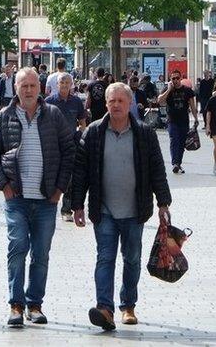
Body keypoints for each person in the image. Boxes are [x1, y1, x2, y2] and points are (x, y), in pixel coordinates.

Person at [72, 82, 172, 331]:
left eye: (120, 101)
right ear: (105, 104)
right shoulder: (94, 132)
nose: (116, 105)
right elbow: (81, 171)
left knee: (132, 259)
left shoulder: (144, 133)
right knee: (105, 258)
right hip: (103, 209)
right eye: (111, 101)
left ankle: (128, 306)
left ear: (129, 104)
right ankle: (105, 308)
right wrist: (76, 205)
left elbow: (157, 169)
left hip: (135, 210)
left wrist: (163, 201)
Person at [0, 68, 75, 327]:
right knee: (17, 247)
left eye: (33, 85)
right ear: (16, 88)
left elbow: (69, 152)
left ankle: (35, 304)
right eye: (23, 85)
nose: (28, 90)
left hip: (46, 199)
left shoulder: (54, 115)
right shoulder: (4, 117)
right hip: (17, 198)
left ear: (41, 88)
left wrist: (59, 189)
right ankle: (16, 304)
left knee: (41, 253)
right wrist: (4, 185)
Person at [45, 73, 88, 221]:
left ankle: (66, 209)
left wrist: (81, 136)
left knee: (70, 177)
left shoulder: (76, 102)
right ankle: (49, 206)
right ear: (57, 85)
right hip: (52, 145)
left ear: (71, 85)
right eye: (61, 82)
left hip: (70, 144)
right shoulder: (49, 101)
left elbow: (82, 122)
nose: (64, 85)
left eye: (67, 82)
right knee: (52, 176)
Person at [157, 70, 198, 174]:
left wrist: (196, 119)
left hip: (184, 121)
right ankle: (175, 163)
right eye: (173, 78)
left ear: (180, 79)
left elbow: (193, 106)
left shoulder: (188, 91)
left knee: (181, 143)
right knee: (174, 140)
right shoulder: (168, 89)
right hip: (172, 121)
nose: (175, 80)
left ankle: (178, 164)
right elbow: (160, 101)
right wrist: (168, 90)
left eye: (177, 78)